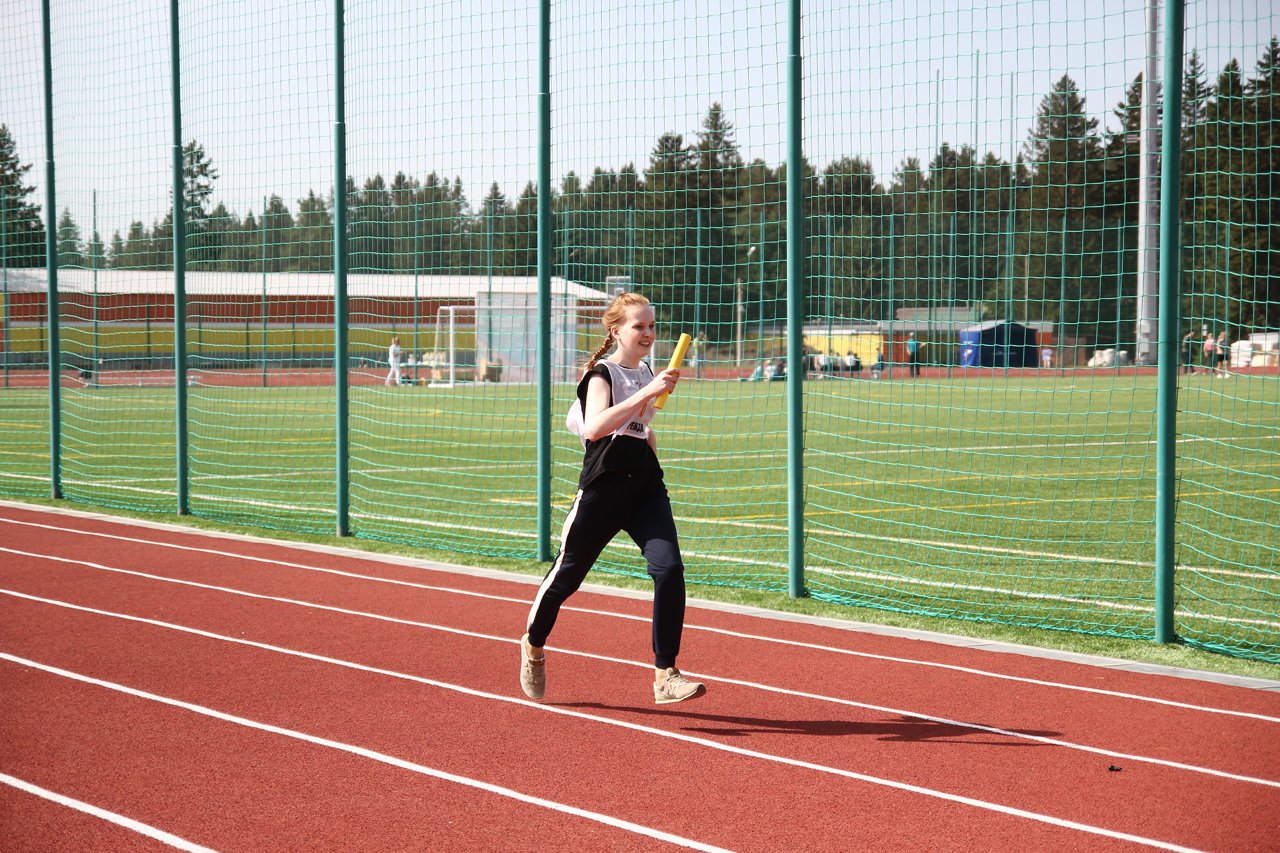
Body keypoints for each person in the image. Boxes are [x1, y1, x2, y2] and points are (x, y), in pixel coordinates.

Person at [520, 292, 706, 706]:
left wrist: (657, 471)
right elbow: (596, 427)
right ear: (616, 330)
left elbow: (643, 429)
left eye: (652, 326)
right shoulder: (601, 375)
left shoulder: (647, 371)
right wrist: (646, 392)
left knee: (670, 568)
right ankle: (533, 647)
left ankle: (665, 674)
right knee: (565, 579)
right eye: (639, 326)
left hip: (643, 486)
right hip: (603, 487)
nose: (648, 334)